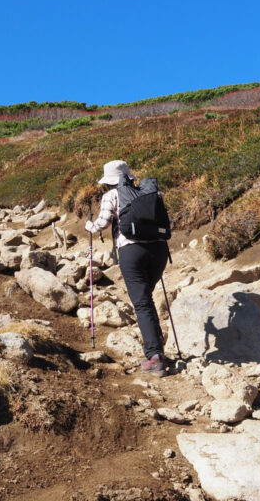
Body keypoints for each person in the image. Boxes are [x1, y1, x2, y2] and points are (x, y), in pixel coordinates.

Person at [84, 160, 169, 377]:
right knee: (145, 300)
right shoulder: (152, 193)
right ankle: (157, 347)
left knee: (141, 303)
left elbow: (102, 223)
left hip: (132, 252)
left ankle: (154, 357)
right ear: (129, 176)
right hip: (159, 252)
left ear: (109, 181)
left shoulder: (111, 196)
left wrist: (89, 226)